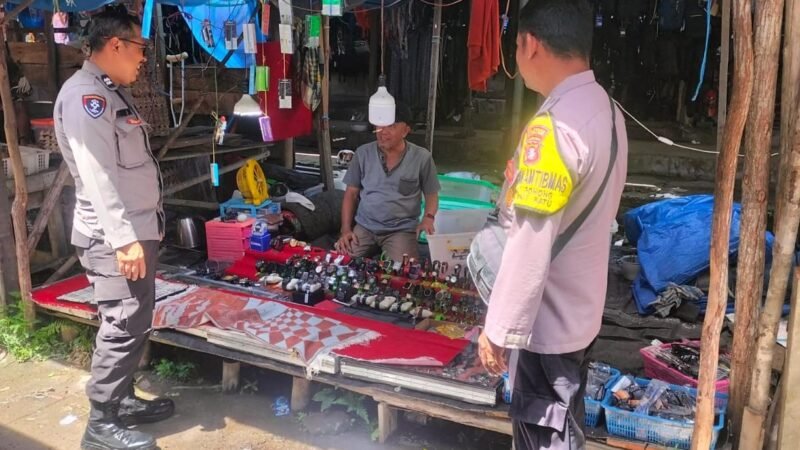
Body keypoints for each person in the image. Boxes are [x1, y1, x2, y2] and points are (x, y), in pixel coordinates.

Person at [476, 1, 628, 449]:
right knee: (566, 429)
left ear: (530, 44)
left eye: (515, 47)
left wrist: (499, 329)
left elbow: (531, 240)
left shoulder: (554, 128)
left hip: (547, 326)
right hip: (580, 311)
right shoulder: (606, 109)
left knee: (547, 437)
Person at [54, 7, 172, 450]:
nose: (143, 57)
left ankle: (120, 400)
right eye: (139, 47)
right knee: (123, 324)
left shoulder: (109, 91)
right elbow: (97, 175)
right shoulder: (87, 97)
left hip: (134, 230)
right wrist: (123, 240)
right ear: (116, 45)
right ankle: (101, 425)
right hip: (114, 237)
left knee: (134, 320)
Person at [335, 104, 440, 262]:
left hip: (401, 230)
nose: (383, 132)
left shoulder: (422, 157)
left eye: (391, 126)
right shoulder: (363, 153)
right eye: (380, 125)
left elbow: (431, 194)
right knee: (339, 262)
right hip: (365, 226)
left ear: (405, 131)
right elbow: (351, 194)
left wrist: (428, 218)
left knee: (405, 272)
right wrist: (345, 230)